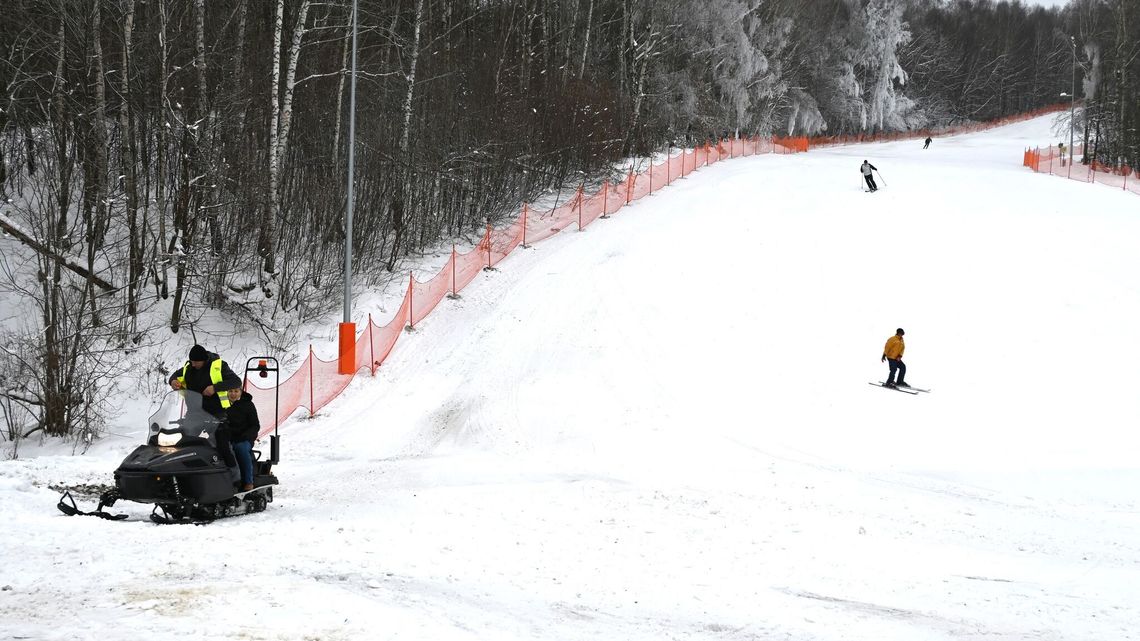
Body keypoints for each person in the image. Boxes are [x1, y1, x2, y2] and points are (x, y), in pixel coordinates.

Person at [168, 344, 242, 418]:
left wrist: (214, 388)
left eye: (196, 362)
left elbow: (237, 381)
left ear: (203, 360)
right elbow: (175, 375)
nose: (193, 365)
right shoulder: (189, 368)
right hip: (193, 413)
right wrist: (173, 381)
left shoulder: (219, 366)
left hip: (217, 413)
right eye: (191, 361)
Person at [223, 387, 261, 492]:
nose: (233, 394)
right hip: (226, 437)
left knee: (240, 448)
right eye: (230, 391)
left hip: (244, 438)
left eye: (236, 391)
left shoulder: (247, 404)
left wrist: (246, 436)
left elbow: (255, 425)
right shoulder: (222, 403)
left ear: (241, 392)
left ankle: (248, 481)